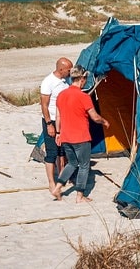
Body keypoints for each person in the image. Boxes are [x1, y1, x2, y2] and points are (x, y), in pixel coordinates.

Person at [52, 65, 109, 203]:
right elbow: (94, 117)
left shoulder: (61, 95)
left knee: (71, 163)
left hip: (66, 136)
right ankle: (80, 196)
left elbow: (58, 117)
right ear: (82, 79)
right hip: (81, 136)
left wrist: (58, 133)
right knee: (84, 165)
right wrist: (104, 121)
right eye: (85, 78)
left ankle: (58, 187)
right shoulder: (83, 97)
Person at [40, 57, 73, 193]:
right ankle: (51, 182)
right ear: (61, 69)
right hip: (52, 119)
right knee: (52, 152)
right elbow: (44, 105)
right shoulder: (48, 82)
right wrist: (49, 124)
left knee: (62, 150)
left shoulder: (66, 81)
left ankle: (61, 177)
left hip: (63, 119)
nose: (70, 72)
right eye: (68, 70)